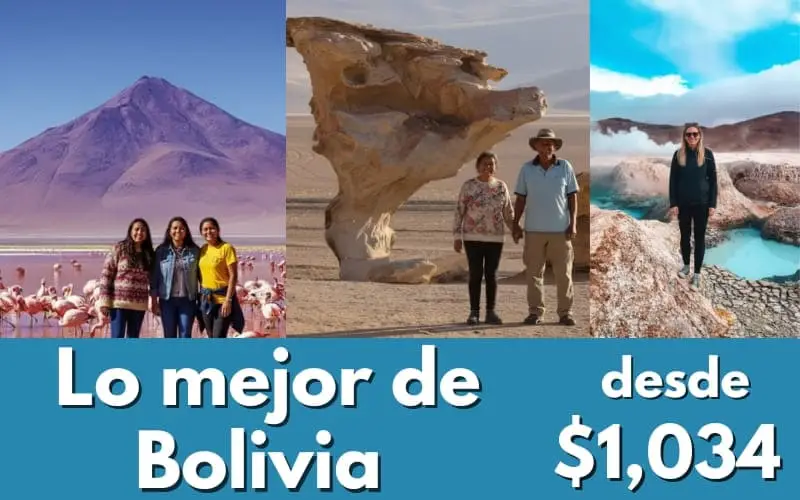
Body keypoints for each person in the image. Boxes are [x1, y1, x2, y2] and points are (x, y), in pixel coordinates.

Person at [512, 128, 579, 326]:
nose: (547, 146)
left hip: (561, 229)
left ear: (555, 146)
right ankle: (535, 312)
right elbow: (521, 198)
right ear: (536, 146)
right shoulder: (526, 169)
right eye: (543, 143)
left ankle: (565, 313)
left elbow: (572, 196)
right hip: (534, 230)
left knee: (564, 274)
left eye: (550, 143)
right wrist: (516, 224)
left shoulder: (565, 167)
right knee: (534, 274)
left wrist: (573, 223)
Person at [453, 151, 514, 326]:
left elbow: (508, 211)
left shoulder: (501, 186)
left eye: (491, 164)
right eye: (484, 164)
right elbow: (459, 211)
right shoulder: (469, 186)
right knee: (475, 274)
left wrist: (515, 229)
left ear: (495, 167)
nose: (488, 167)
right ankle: (474, 313)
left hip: (495, 238)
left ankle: (490, 312)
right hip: (472, 237)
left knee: (491, 275)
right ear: (477, 166)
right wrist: (457, 236)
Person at [668, 122, 718, 289]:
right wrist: (673, 203)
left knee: (699, 239)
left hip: (702, 204)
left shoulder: (708, 155)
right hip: (683, 204)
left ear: (700, 136)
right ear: (684, 137)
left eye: (695, 134)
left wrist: (712, 204)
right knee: (684, 236)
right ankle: (686, 266)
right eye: (688, 134)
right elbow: (673, 180)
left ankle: (697, 274)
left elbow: (713, 182)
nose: (692, 137)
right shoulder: (678, 155)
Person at [98, 218, 156, 338]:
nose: (139, 233)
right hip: (119, 303)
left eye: (143, 230)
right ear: (130, 231)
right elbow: (107, 274)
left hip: (139, 304)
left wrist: (155, 299)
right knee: (117, 337)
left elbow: (153, 278)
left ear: (147, 234)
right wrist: (104, 302)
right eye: (137, 229)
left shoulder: (148, 253)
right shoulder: (119, 249)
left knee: (133, 338)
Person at [150, 216, 201, 338]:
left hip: (188, 300)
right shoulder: (161, 251)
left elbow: (202, 275)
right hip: (167, 300)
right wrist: (153, 301)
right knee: (169, 334)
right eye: (175, 228)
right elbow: (155, 277)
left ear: (186, 231)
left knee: (185, 334)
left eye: (182, 228)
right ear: (169, 231)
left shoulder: (195, 251)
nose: (178, 231)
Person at [197, 217, 245, 338]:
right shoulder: (203, 249)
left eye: (212, 228)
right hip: (206, 300)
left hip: (222, 300)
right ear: (201, 232)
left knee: (218, 336)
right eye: (205, 229)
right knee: (210, 335)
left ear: (218, 230)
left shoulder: (226, 248)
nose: (209, 232)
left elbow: (233, 276)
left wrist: (228, 300)